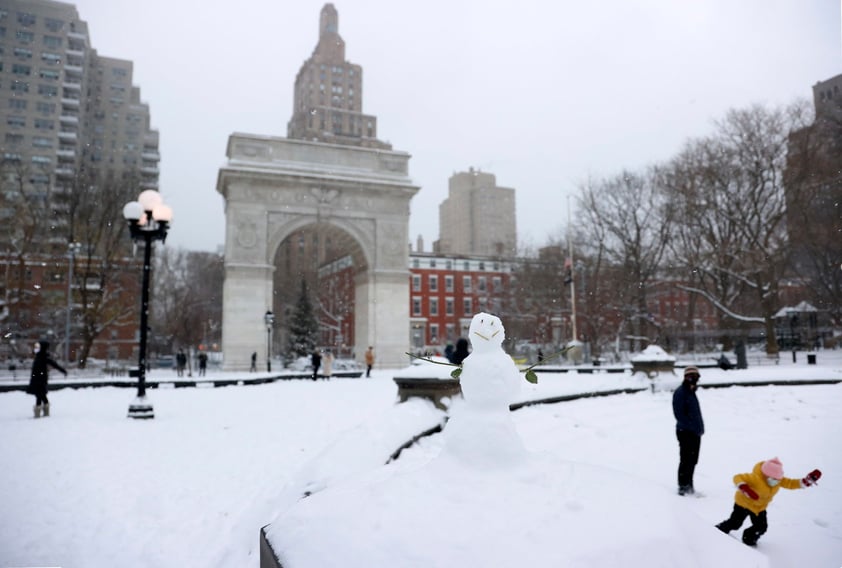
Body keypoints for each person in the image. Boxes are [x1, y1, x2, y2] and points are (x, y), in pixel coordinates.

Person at [716, 457, 822, 546]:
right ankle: (717, 531)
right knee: (735, 523)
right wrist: (744, 487)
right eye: (773, 479)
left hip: (759, 508)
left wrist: (805, 482)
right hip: (743, 504)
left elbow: (790, 483)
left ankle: (749, 539)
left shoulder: (778, 480)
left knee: (761, 527)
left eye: (777, 479)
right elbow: (737, 477)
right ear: (766, 475)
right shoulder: (755, 478)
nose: (775, 481)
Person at [672, 365, 704, 495]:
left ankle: (690, 486)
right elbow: (679, 414)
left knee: (693, 460)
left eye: (696, 377)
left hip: (695, 432)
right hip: (685, 432)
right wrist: (691, 427)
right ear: (686, 377)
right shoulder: (681, 392)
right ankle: (683, 487)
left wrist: (699, 429)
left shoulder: (691, 392)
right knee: (686, 460)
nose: (694, 379)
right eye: (691, 376)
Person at [27, 340, 67, 418]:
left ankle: (39, 412)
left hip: (40, 379)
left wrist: (63, 371)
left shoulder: (43, 357)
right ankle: (44, 410)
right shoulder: (40, 356)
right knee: (41, 395)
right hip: (37, 379)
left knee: (39, 395)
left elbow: (55, 365)